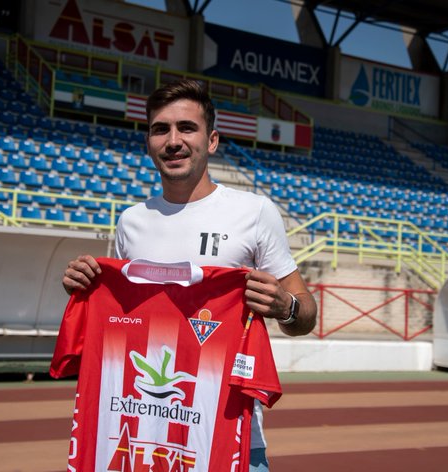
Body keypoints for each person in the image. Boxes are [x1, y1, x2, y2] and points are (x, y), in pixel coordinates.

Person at [61, 78, 318, 471]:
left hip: (230, 440)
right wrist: (84, 283)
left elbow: (306, 314)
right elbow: (122, 318)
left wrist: (286, 307)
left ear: (211, 141)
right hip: (142, 437)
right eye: (160, 129)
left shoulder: (254, 212)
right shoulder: (131, 221)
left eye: (186, 128)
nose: (173, 141)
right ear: (148, 142)